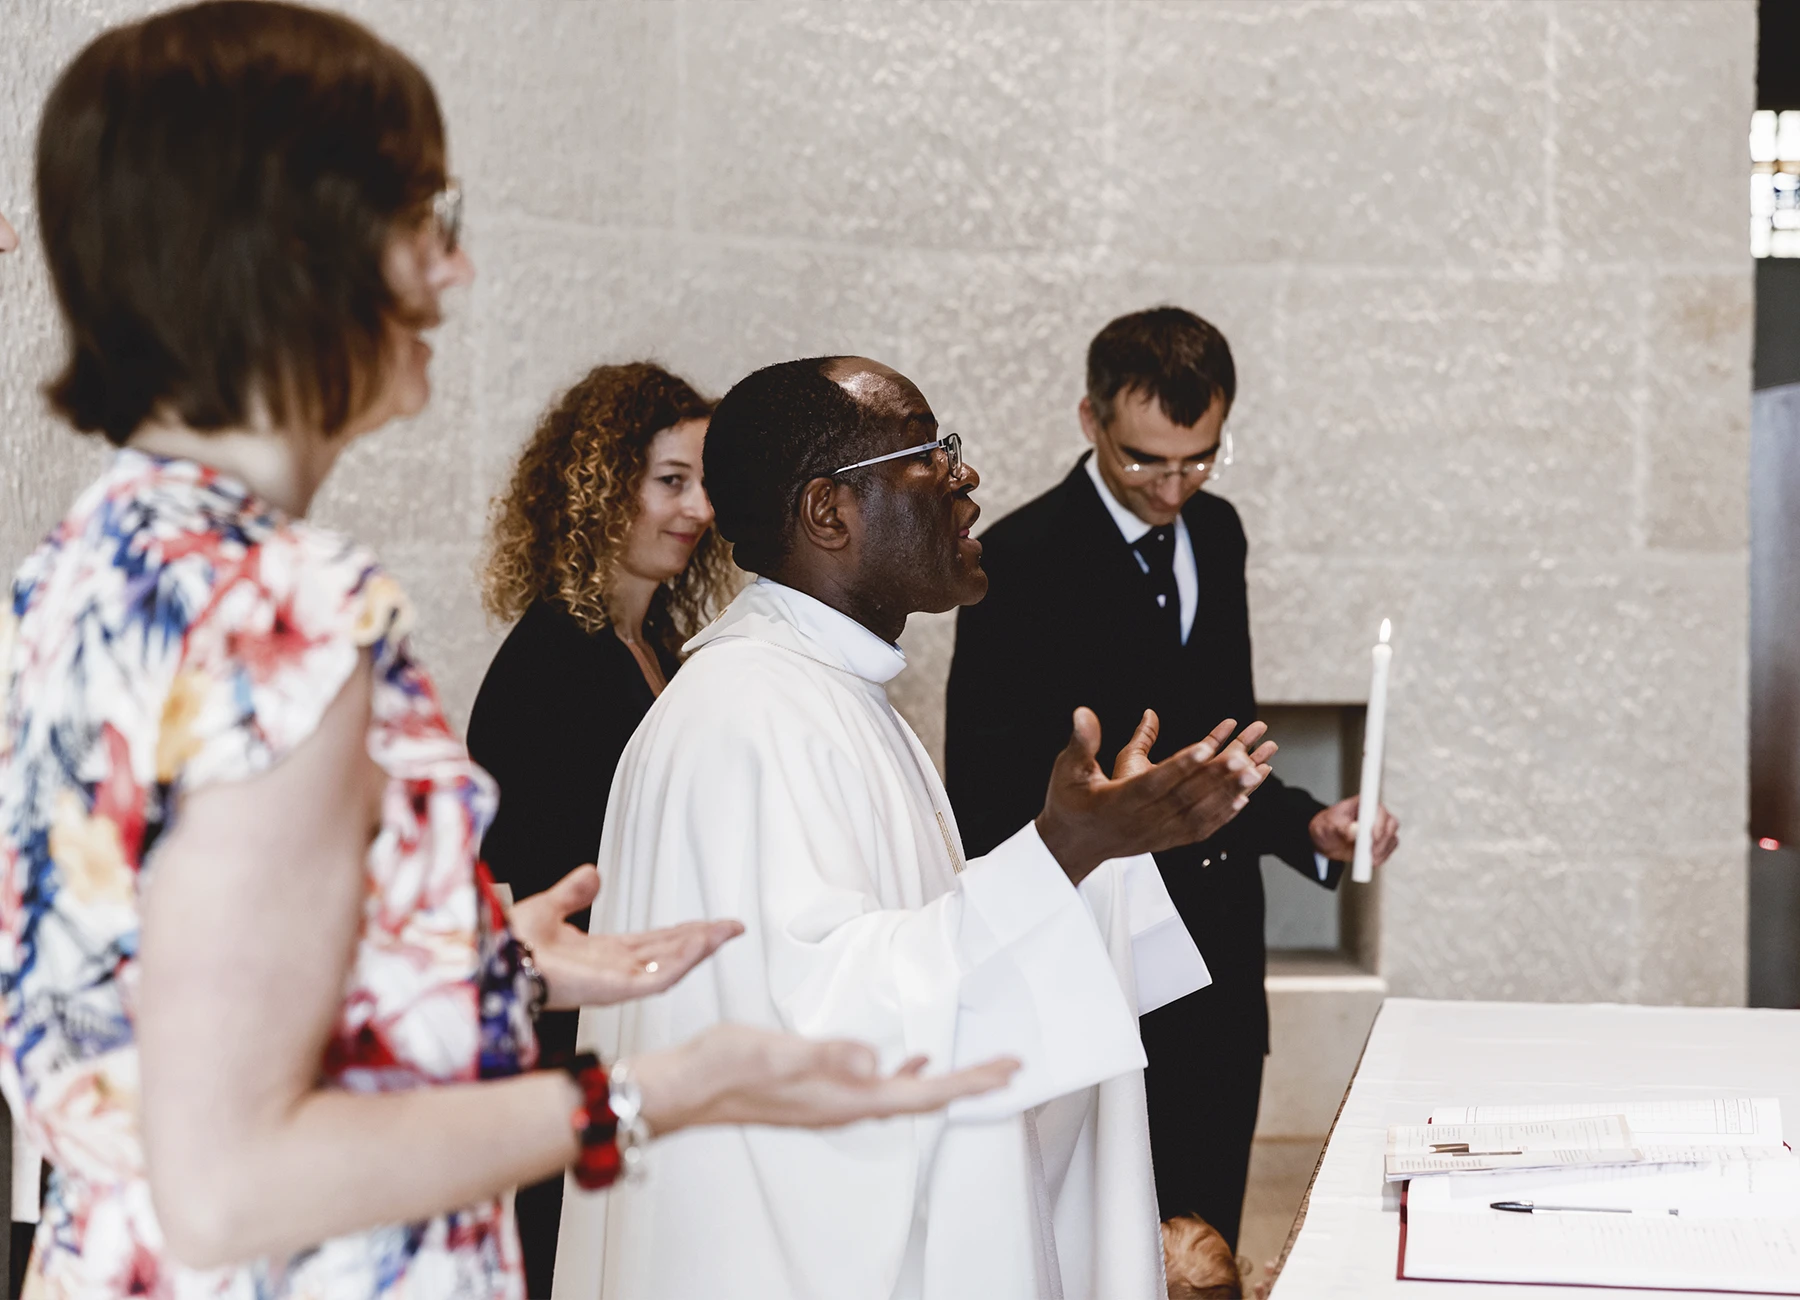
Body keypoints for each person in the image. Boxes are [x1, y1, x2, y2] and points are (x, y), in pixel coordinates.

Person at [0, 7, 1013, 1297]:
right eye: (429, 215)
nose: (455, 269)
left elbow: (172, 999)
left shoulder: (118, 549)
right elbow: (229, 1176)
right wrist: (651, 1092)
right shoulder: (281, 607)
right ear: (283, 250)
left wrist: (486, 964)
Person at [558, 355, 1282, 1300]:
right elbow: (829, 1036)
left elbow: (902, 956)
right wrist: (1062, 853)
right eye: (931, 452)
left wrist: (1095, 857)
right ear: (830, 513)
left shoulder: (832, 696)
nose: (964, 477)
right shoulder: (743, 718)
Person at [945, 306, 1401, 1251]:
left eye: (1199, 458)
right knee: (1102, 1247)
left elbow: (1219, 744)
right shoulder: (1018, 560)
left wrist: (1312, 828)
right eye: (1146, 460)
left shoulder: (1218, 534)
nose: (1173, 486)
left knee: (1210, 1250)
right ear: (1090, 421)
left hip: (1222, 965)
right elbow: (983, 788)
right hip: (1096, 959)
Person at [467, 360, 736, 1297]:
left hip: (634, 1018)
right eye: (672, 481)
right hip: (572, 1032)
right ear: (599, 485)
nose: (699, 508)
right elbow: (534, 880)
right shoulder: (552, 657)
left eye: (707, 483)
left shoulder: (649, 645)